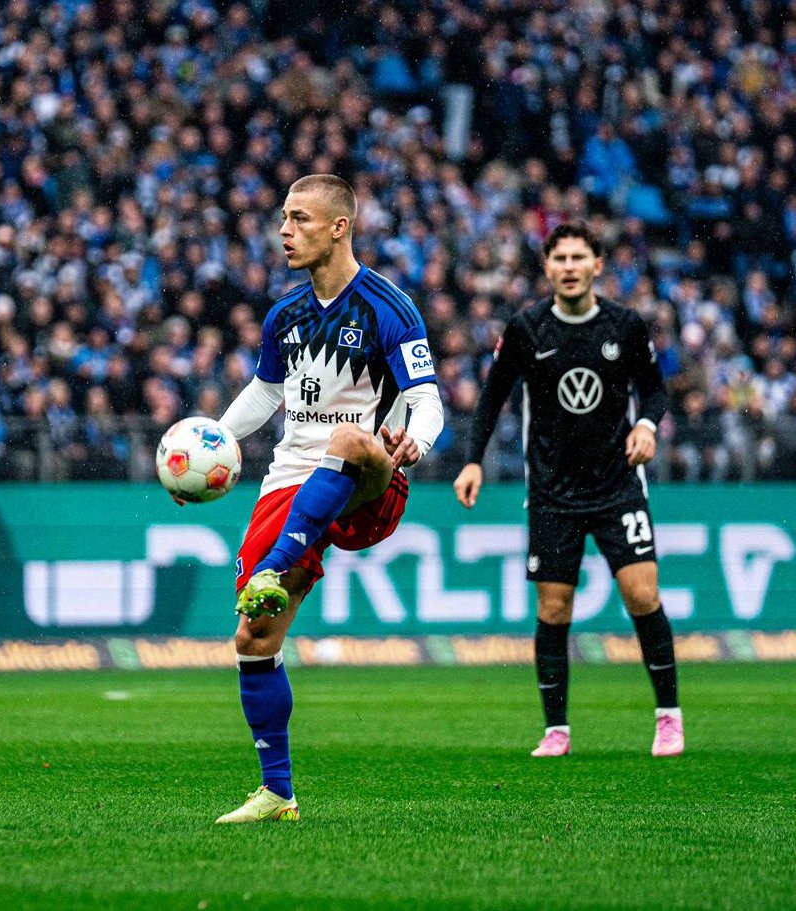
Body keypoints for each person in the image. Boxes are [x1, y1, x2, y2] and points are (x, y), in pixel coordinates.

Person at [198, 174, 444, 822]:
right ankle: (276, 791)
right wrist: (213, 440)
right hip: (291, 478)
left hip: (370, 476)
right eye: (283, 217)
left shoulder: (389, 308)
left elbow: (427, 400)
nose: (284, 229)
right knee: (252, 637)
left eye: (299, 218)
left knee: (349, 437)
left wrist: (414, 441)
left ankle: (278, 563)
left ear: (339, 227)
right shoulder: (285, 315)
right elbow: (264, 394)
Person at [453, 221, 684, 759]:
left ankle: (668, 717)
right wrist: (472, 462)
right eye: (561, 258)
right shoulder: (527, 327)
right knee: (554, 609)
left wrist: (646, 426)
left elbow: (655, 392)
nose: (571, 267)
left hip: (618, 485)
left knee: (643, 596)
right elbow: (491, 398)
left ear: (598, 265)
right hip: (553, 492)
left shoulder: (625, 326)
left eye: (581, 257)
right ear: (548, 268)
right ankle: (557, 729)